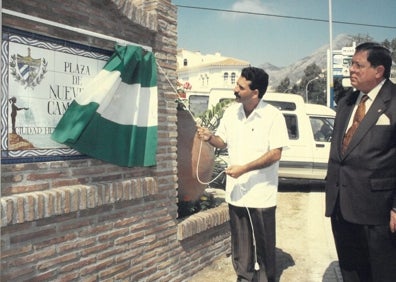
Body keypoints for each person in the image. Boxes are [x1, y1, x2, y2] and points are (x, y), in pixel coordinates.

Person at [197, 67, 288, 282]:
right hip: (236, 190)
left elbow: (275, 153)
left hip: (261, 192)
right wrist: (210, 137)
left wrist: (244, 168)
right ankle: (244, 276)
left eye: (240, 87)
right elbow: (222, 141)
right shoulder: (231, 112)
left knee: (264, 240)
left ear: (255, 92)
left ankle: (266, 277)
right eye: (236, 84)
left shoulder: (273, 116)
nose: (235, 89)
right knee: (240, 239)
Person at [325, 42, 396, 282]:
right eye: (350, 64)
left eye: (358, 65)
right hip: (341, 206)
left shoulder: (394, 101)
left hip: (378, 209)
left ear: (379, 71)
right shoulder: (346, 101)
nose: (351, 69)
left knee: (382, 273)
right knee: (351, 270)